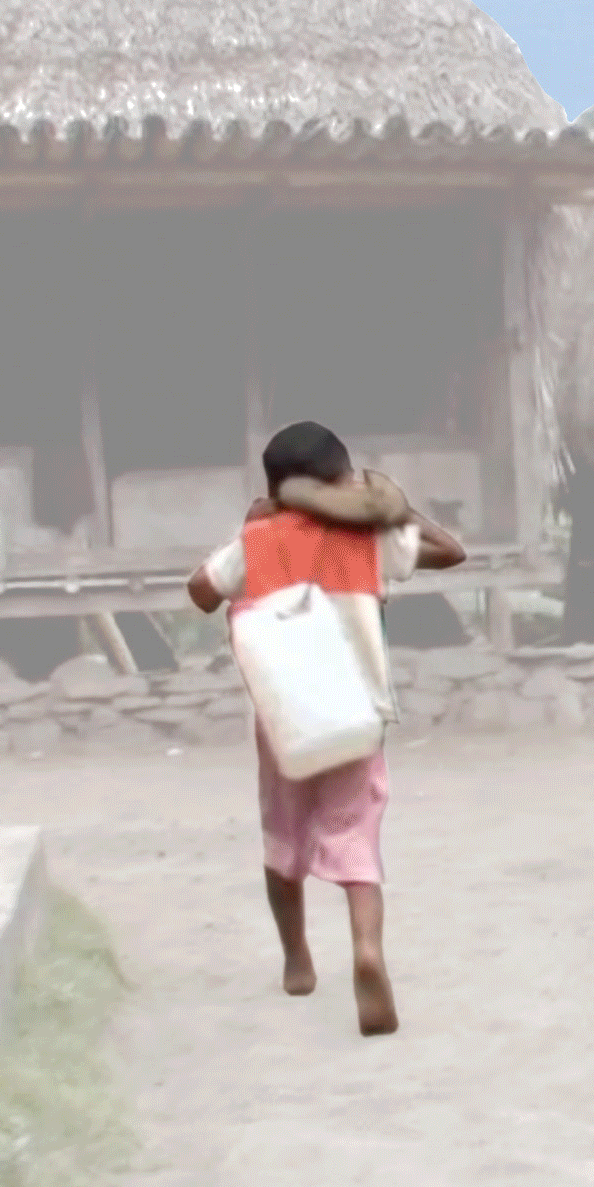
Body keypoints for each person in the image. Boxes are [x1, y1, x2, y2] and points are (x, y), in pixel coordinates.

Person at [186, 421, 465, 1036]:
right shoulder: (366, 539)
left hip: (284, 722)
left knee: (282, 835)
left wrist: (252, 528)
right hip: (357, 715)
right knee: (355, 834)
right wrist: (392, 509)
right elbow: (451, 551)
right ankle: (366, 951)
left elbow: (201, 591)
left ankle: (296, 959)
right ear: (341, 481)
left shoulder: (257, 539)